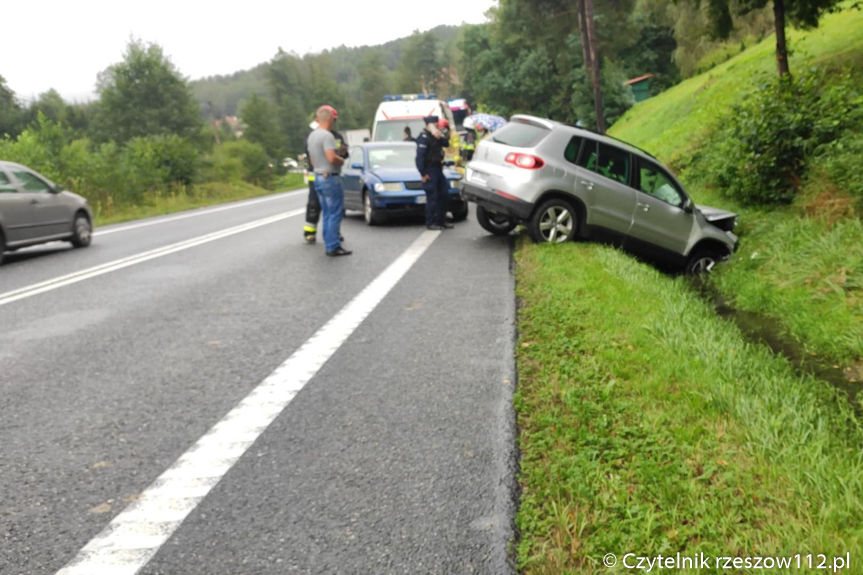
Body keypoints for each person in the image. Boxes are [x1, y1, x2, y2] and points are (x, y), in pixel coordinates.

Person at [307, 105, 351, 256]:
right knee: (335, 213)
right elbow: (331, 158)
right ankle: (333, 246)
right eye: (334, 120)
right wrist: (341, 160)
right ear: (330, 119)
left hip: (318, 177)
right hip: (330, 178)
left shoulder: (312, 136)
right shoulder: (327, 136)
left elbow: (312, 161)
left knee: (326, 213)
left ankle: (329, 243)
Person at [303, 120, 348, 244]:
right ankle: (310, 232)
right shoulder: (313, 135)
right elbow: (311, 154)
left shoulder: (336, 136)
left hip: (331, 173)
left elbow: (343, 153)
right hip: (318, 174)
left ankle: (333, 234)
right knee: (315, 204)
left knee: (332, 210)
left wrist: (343, 153)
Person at [415, 115, 452, 231]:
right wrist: (423, 173)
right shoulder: (423, 137)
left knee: (444, 195)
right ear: (428, 125)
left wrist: (439, 136)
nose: (437, 126)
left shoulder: (436, 135)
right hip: (429, 170)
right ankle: (431, 222)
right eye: (434, 124)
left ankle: (441, 221)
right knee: (432, 197)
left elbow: (446, 143)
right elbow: (419, 157)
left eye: (437, 124)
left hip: (438, 169)